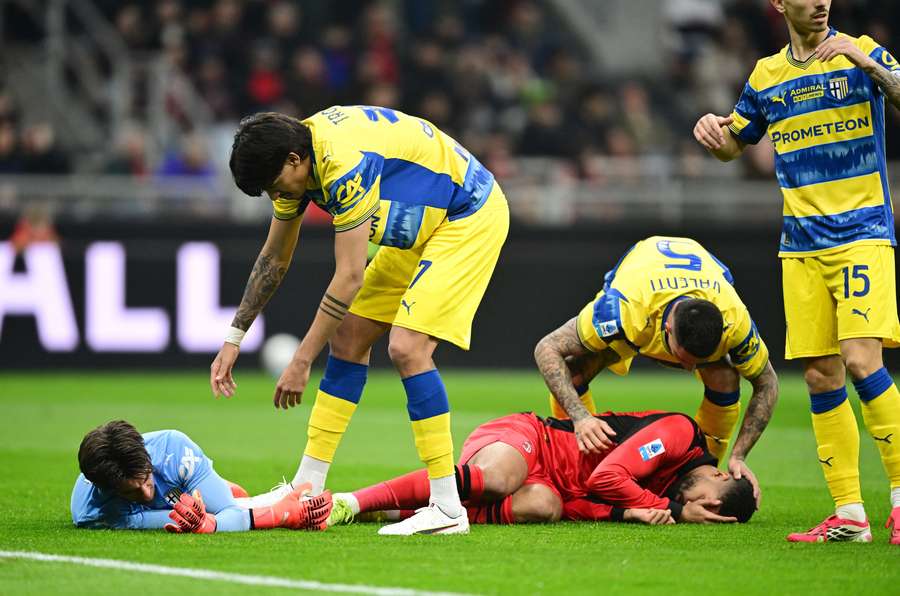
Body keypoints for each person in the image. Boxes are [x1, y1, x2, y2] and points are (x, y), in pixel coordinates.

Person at [211, 106, 509, 535]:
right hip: (423, 221)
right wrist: (234, 336)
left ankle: (446, 507)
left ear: (294, 161)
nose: (277, 195)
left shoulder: (343, 163)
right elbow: (274, 257)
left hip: (467, 214)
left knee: (408, 348)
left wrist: (301, 360)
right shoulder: (298, 157)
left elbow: (350, 276)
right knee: (349, 336)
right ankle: (308, 488)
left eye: (275, 185)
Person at [693, 0, 900, 544]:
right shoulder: (766, 74)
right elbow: (735, 144)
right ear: (779, 4)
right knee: (820, 374)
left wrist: (868, 63)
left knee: (861, 360)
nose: (821, 1)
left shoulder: (862, 53)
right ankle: (850, 515)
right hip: (801, 246)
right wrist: (714, 133)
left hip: (862, 234)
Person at [533, 236, 778, 499]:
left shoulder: (735, 321)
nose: (688, 369)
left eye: (697, 361)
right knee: (574, 371)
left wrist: (739, 455)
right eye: (682, 357)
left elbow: (768, 383)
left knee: (725, 376)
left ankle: (700, 468)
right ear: (669, 329)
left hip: (693, 279)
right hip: (645, 285)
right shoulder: (622, 312)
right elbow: (546, 347)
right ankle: (582, 466)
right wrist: (580, 417)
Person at [327, 410, 755, 532]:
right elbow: (605, 478)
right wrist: (670, 510)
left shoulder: (669, 490)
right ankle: (349, 503)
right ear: (717, 476)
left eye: (696, 509)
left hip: (556, 486)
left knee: (545, 506)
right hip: (532, 439)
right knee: (496, 482)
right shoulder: (679, 432)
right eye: (697, 502)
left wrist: (628, 513)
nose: (684, 503)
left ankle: (397, 512)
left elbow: (587, 501)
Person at [71, 420, 331, 532]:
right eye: (132, 492)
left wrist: (211, 524)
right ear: (108, 489)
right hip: (175, 497)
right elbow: (214, 520)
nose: (147, 493)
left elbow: (227, 513)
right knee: (218, 504)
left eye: (147, 479)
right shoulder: (95, 512)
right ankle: (213, 490)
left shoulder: (173, 449)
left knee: (232, 498)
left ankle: (213, 487)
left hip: (180, 481)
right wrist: (279, 514)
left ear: (148, 456)